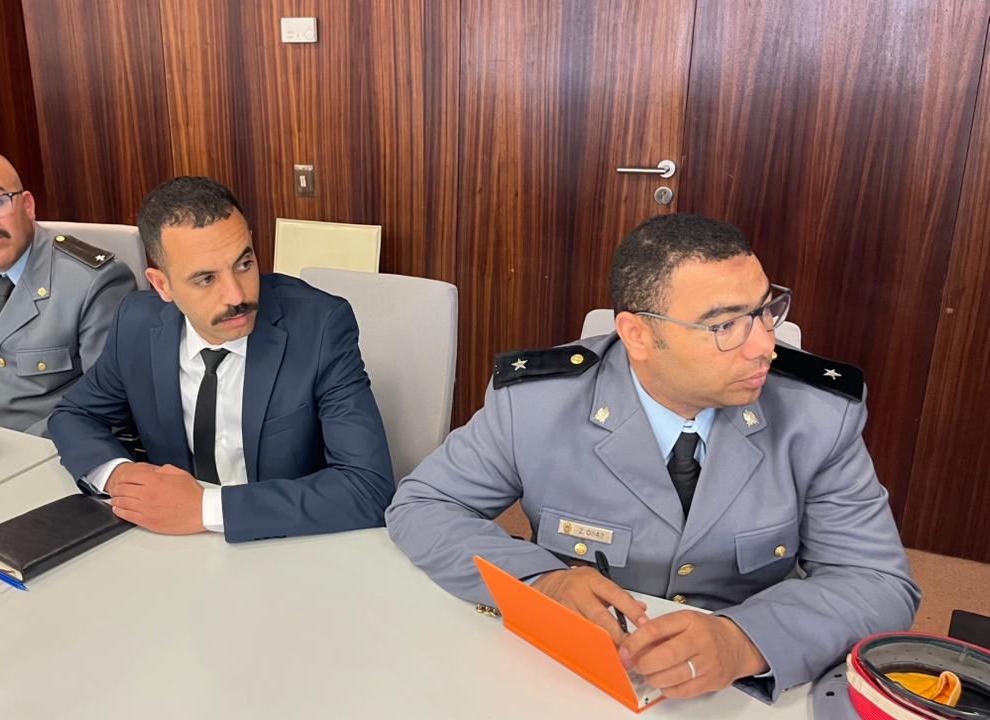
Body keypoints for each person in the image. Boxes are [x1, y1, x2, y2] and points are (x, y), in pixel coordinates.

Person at [386, 213, 919, 702]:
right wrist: (541, 581)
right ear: (638, 335)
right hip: (571, 675)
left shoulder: (818, 413)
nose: (764, 345)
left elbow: (877, 580)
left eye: (765, 311)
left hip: (736, 691)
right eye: (724, 325)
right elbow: (425, 505)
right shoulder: (536, 403)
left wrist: (745, 640)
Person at [48, 176, 393, 543]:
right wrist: (120, 476)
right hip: (169, 543)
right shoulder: (136, 323)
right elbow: (75, 415)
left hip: (284, 542)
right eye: (205, 279)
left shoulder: (320, 327)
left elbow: (368, 487)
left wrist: (205, 509)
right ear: (162, 285)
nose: (236, 296)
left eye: (243, 264)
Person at [0, 150, 137, 436]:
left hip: (52, 447)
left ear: (28, 205)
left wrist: (20, 451)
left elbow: (107, 400)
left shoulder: (92, 281)